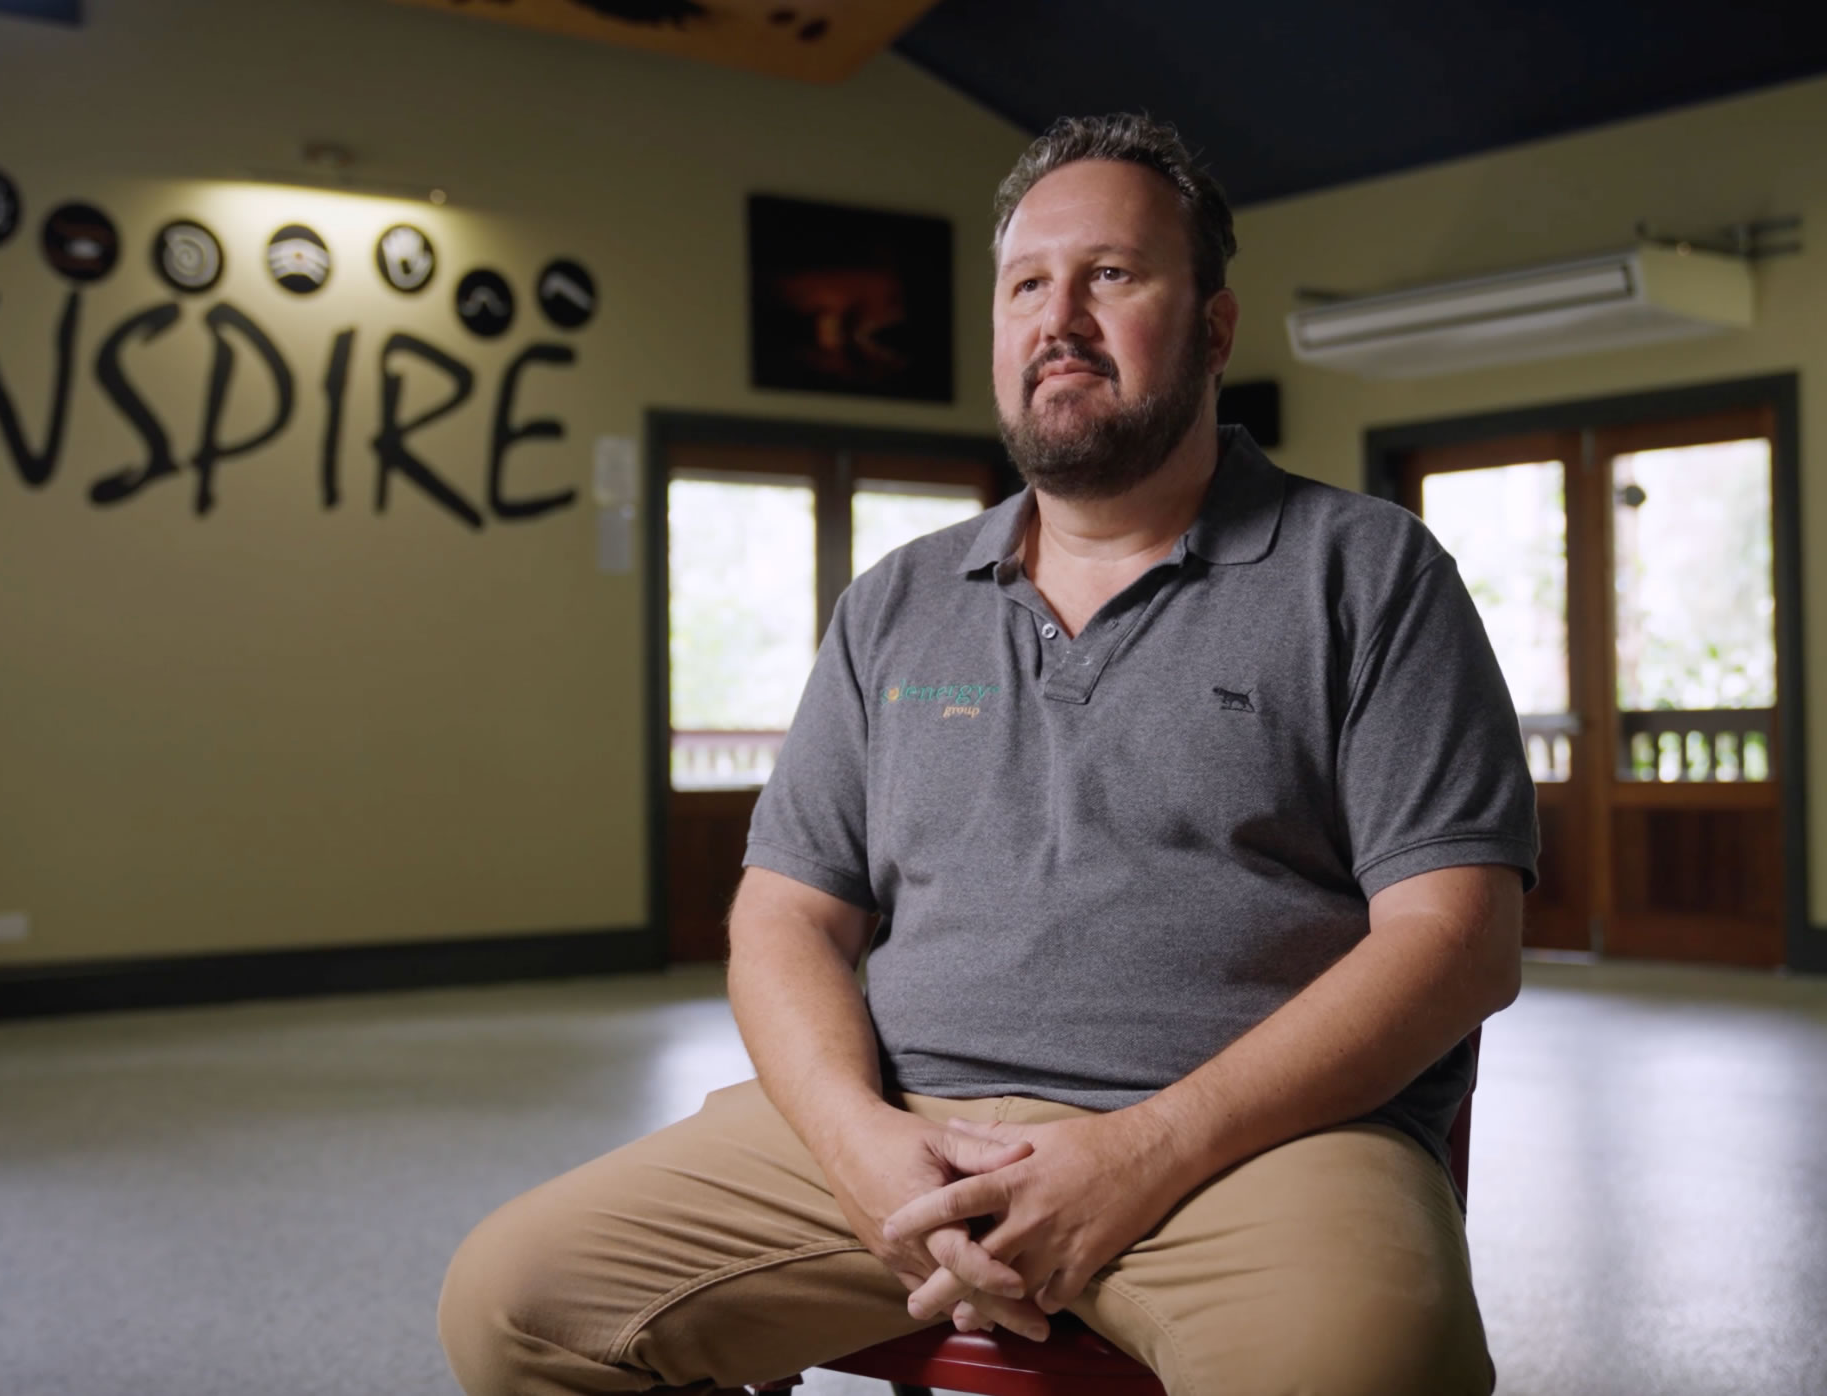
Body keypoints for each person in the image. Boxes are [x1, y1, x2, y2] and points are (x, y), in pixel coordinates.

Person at [437, 112, 1538, 1396]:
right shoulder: (895, 603)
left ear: (1215, 327)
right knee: (515, 1304)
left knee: (1365, 1369)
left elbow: (1458, 938)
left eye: (1111, 275)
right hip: (902, 1128)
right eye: (1026, 286)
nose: (1058, 318)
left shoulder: (1368, 572)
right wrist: (857, 1142)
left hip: (1251, 1148)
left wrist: (1144, 1151)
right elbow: (785, 915)